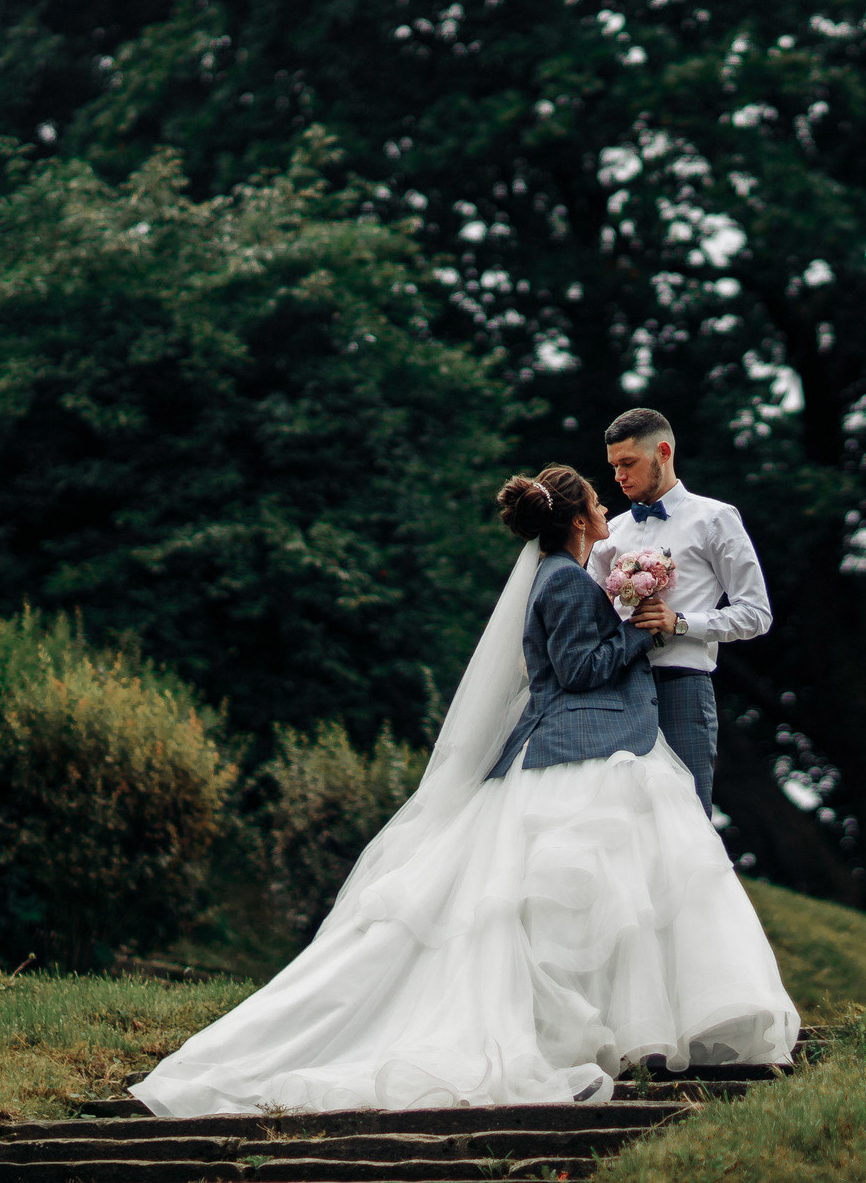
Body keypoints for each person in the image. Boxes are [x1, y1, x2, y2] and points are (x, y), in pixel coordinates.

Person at [130, 464, 798, 1115]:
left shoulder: (561, 573)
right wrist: (637, 629)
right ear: (575, 521)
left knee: (595, 898)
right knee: (580, 897)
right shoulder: (563, 581)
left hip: (591, 737)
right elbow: (576, 669)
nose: (605, 513)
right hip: (575, 742)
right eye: (596, 503)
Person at [590, 408, 772, 817]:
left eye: (628, 463)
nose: (619, 476)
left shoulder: (715, 519)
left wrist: (682, 623)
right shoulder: (611, 532)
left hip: (683, 688)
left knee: (686, 823)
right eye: (614, 466)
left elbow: (757, 614)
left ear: (664, 452)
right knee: (619, 821)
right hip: (617, 689)